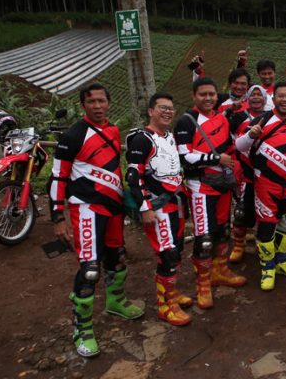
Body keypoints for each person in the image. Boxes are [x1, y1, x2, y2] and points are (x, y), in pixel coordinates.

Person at [49, 82, 144, 358]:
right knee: (90, 269)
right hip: (87, 208)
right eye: (92, 102)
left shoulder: (112, 130)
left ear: (109, 103)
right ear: (83, 105)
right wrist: (57, 217)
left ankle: (116, 302)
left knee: (117, 258)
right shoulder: (72, 136)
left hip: (113, 208)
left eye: (102, 101)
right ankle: (82, 328)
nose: (98, 106)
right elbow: (57, 177)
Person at [174, 77, 247, 310]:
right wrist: (216, 159)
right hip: (201, 186)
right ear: (194, 96)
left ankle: (219, 270)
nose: (208, 98)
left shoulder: (221, 117)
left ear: (217, 96)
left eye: (211, 94)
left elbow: (230, 145)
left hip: (223, 183)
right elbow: (183, 156)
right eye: (203, 94)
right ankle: (203, 284)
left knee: (223, 230)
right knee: (204, 238)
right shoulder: (186, 121)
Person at [235, 82, 286, 291]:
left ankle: (283, 262)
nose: (284, 100)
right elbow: (239, 146)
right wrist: (250, 135)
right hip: (266, 186)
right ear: (273, 98)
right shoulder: (262, 120)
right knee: (267, 227)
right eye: (280, 96)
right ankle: (267, 268)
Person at [125, 92, 192, 327]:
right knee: (167, 254)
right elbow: (133, 176)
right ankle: (165, 306)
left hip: (176, 203)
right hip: (157, 206)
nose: (167, 112)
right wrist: (145, 208)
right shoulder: (142, 139)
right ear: (151, 111)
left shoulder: (170, 137)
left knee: (177, 248)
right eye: (162, 107)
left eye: (170, 108)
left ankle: (171, 293)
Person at [227, 84, 269, 263]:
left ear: (265, 99)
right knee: (241, 210)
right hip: (244, 171)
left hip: (266, 172)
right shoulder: (238, 117)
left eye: (260, 95)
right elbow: (227, 139)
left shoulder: (270, 117)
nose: (256, 98)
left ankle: (263, 243)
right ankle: (239, 245)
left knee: (265, 211)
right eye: (253, 95)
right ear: (247, 98)